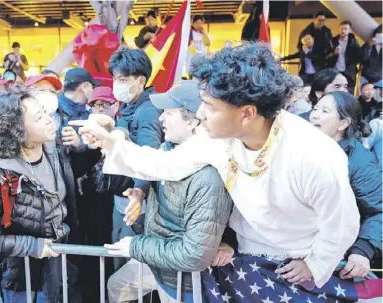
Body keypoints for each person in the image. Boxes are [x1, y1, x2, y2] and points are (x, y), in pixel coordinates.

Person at [73, 44, 360, 294]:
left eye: (209, 106)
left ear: (246, 112)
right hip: (242, 258)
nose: (199, 114)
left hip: (294, 262)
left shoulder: (313, 155)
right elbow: (165, 165)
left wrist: (313, 263)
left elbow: (342, 222)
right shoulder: (218, 140)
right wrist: (111, 143)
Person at [106, 80, 233, 303]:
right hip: (156, 262)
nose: (160, 118)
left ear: (194, 120)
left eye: (168, 112)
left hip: (183, 280)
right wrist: (141, 189)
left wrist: (135, 246)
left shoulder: (207, 177)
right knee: (116, 287)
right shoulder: (170, 149)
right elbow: (154, 163)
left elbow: (194, 255)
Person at [0, 89, 81, 302]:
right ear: (17, 129)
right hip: (19, 272)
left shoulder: (53, 148)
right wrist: (32, 246)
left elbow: (72, 175)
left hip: (55, 260)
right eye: (39, 117)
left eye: (45, 112)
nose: (49, 120)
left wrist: (87, 147)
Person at [310, 91, 382, 279]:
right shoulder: (299, 147)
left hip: (336, 259)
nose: (314, 115)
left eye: (325, 111)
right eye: (315, 108)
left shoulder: (360, 162)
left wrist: (362, 251)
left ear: (343, 123)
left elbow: (378, 211)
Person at [108, 46, 163, 270]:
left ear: (141, 81)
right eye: (115, 79)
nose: (117, 85)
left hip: (136, 200)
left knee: (130, 263)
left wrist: (140, 192)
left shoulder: (147, 111)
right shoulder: (129, 105)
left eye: (122, 79)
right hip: (124, 196)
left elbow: (149, 155)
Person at [78, 86, 120, 301]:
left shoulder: (123, 134)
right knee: (93, 251)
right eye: (96, 105)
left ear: (117, 106)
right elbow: (77, 167)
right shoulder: (83, 135)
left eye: (106, 104)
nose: (101, 109)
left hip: (118, 204)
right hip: (91, 204)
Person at [327, 21, 361, 93]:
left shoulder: (353, 42)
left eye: (345, 29)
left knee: (349, 92)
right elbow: (326, 57)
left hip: (348, 72)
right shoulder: (333, 41)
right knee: (334, 91)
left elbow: (359, 57)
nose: (343, 31)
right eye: (341, 29)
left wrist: (352, 65)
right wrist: (334, 54)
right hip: (335, 70)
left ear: (349, 30)